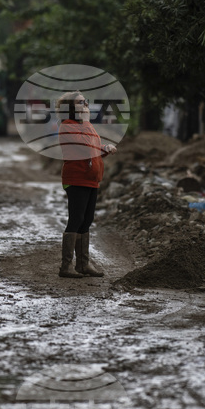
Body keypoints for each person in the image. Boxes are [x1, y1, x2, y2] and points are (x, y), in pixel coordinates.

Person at [56, 90, 116, 278]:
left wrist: (104, 149)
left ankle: (83, 264)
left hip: (91, 178)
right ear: (72, 108)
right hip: (76, 178)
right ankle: (66, 267)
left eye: (86, 101)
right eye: (81, 102)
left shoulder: (85, 125)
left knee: (87, 220)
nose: (86, 105)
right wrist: (87, 121)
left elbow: (93, 146)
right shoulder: (67, 126)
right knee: (76, 218)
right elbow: (83, 145)